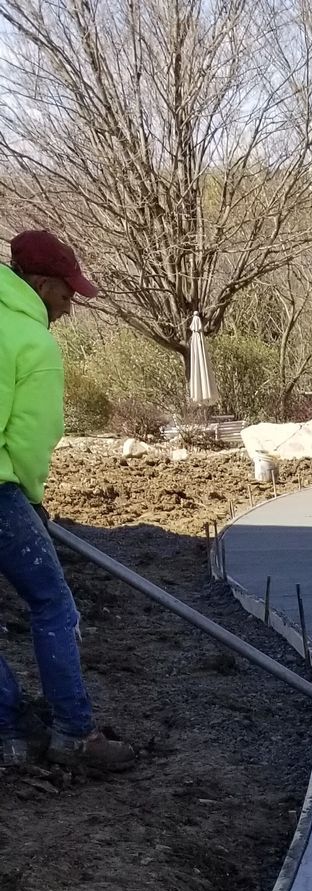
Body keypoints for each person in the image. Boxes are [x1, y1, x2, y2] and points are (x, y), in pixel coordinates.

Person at [0, 227, 133, 773]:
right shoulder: (32, 343)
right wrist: (30, 497)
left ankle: (8, 735)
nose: (70, 306)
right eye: (65, 293)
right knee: (53, 606)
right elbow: (30, 440)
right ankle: (75, 734)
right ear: (39, 283)